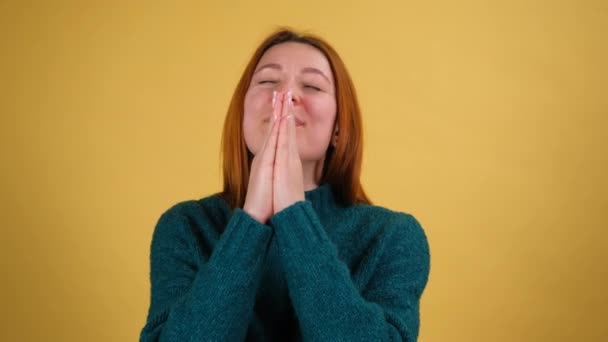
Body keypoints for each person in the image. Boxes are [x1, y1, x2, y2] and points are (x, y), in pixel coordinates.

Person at [140, 28, 430, 342]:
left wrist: (294, 214)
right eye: (267, 82)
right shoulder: (186, 227)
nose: (286, 95)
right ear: (243, 114)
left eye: (312, 85)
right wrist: (250, 221)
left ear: (338, 128)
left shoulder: (392, 237)